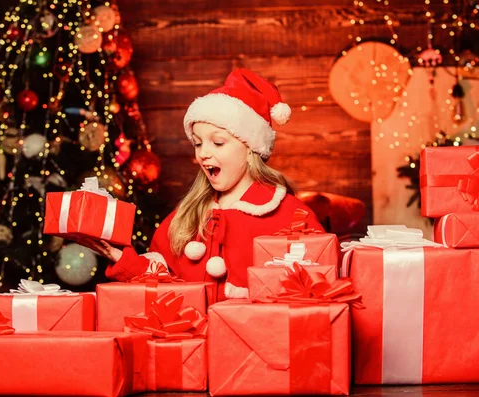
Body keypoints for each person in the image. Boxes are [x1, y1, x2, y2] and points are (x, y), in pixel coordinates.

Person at [78, 68, 324, 300]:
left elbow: (316, 290)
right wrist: (120, 257)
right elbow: (160, 289)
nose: (203, 154)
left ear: (251, 148)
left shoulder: (293, 216)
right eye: (197, 143)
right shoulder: (184, 217)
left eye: (217, 143)